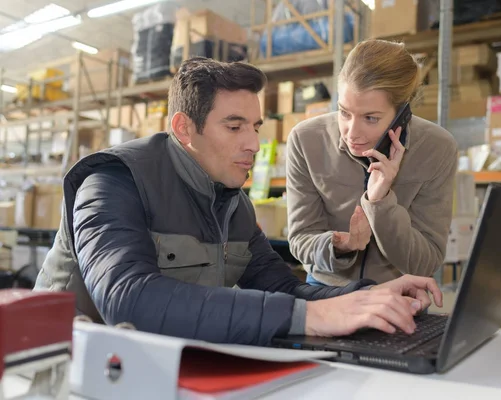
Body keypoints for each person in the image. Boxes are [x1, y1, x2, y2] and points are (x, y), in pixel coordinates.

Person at [33, 56, 443, 345]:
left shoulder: (231, 201)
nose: (253, 143)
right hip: (56, 371)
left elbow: (283, 288)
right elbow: (129, 298)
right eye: (234, 126)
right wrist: (311, 317)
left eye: (255, 126)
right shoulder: (112, 181)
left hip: (155, 367)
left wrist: (371, 298)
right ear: (184, 128)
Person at [286, 39, 458, 288]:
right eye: (344, 112)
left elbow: (426, 262)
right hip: (327, 288)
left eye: (370, 118)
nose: (351, 133)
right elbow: (301, 239)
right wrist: (341, 245)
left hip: (398, 290)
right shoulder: (305, 139)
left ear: (402, 113)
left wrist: (381, 203)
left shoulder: (437, 148)